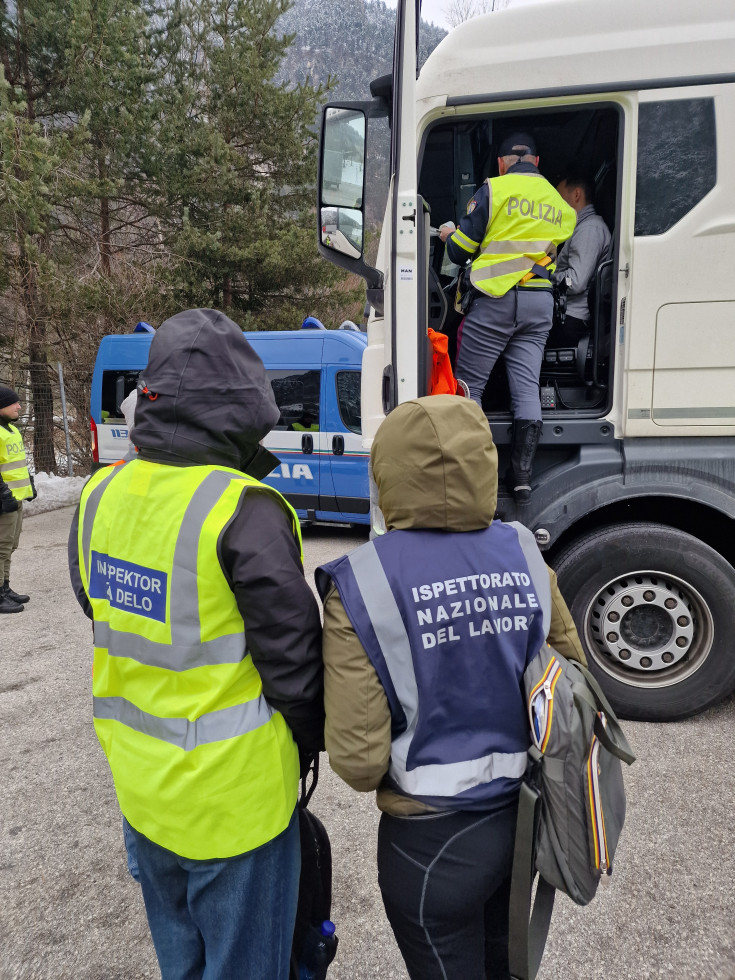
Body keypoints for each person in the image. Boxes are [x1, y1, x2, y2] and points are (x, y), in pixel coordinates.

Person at [68, 309, 324, 980]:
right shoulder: (246, 507)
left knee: (180, 959)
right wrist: (307, 743)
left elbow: (95, 605)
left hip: (142, 789)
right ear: (245, 407)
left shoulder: (99, 492)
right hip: (234, 805)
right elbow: (293, 664)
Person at [316, 395, 586, 980]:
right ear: (485, 464)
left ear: (387, 472)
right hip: (522, 824)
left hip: (429, 848)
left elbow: (359, 763)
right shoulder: (523, 550)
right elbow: (571, 679)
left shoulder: (361, 580)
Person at [440, 132, 576, 503]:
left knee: (470, 389)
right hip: (538, 305)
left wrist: (450, 233)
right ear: (537, 162)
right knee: (526, 388)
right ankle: (521, 479)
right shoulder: (560, 204)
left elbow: (460, 250)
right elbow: (549, 246)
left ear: (502, 163)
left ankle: (469, 479)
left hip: (495, 301)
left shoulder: (494, 190)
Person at [549, 172, 612, 347]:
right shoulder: (583, 227)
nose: (555, 204)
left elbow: (575, 281)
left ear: (577, 195)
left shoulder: (589, 229)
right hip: (567, 315)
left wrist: (546, 279)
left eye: (559, 197)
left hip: (571, 319)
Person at [0, 384, 35, 613]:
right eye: (14, 402)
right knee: (1, 548)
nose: (19, 406)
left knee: (10, 547)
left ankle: (4, 587)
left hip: (16, 498)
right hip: (4, 501)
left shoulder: (11, 429)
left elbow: (17, 464)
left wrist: (29, 484)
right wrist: (4, 494)